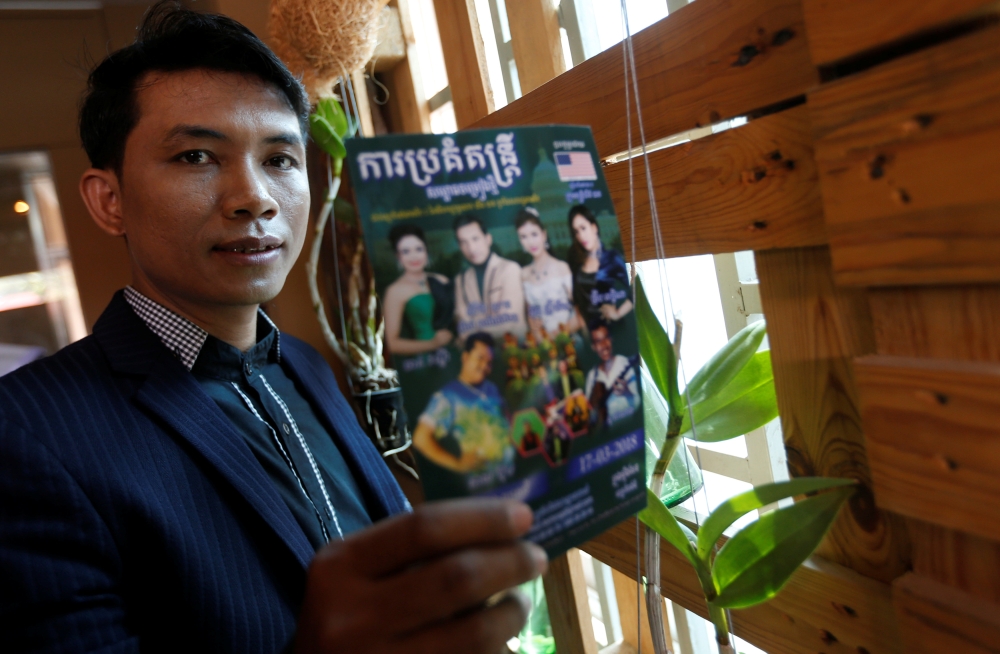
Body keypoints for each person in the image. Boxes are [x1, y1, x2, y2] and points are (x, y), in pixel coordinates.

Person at [0, 4, 545, 652]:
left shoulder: (308, 367)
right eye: (197, 155)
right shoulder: (26, 433)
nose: (253, 196)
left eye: (281, 158)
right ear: (108, 199)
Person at [412, 333, 516, 492]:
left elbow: (504, 419)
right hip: (482, 486)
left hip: (512, 478)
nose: (484, 367)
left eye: (489, 362)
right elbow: (420, 438)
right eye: (480, 358)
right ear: (465, 357)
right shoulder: (447, 396)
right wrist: (457, 464)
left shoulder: (491, 388)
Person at [382, 223, 454, 356]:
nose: (414, 256)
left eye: (419, 249)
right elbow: (391, 344)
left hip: (456, 351)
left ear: (426, 250)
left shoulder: (441, 279)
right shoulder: (395, 291)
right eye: (406, 251)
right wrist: (433, 343)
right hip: (425, 359)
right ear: (398, 256)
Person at [453, 213, 527, 341]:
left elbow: (509, 322)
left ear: (488, 239)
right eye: (464, 242)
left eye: (475, 239)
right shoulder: (461, 280)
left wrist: (474, 328)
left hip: (515, 350)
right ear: (460, 247)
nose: (471, 248)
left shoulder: (510, 269)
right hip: (479, 355)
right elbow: (463, 327)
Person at [515, 207, 577, 341]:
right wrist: (539, 336)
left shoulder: (562, 267)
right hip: (544, 346)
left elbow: (579, 312)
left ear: (543, 235)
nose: (530, 242)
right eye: (523, 237)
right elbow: (532, 317)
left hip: (570, 340)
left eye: (534, 234)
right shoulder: (523, 274)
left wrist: (560, 335)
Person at [567, 204, 633, 327]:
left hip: (613, 331)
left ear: (594, 227)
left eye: (583, 228)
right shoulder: (577, 260)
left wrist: (618, 313)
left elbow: (634, 293)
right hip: (590, 332)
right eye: (576, 231)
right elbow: (577, 300)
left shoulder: (612, 257)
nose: (581, 236)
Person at [585, 322, 640, 427]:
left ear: (611, 339)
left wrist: (627, 392)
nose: (604, 345)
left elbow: (638, 405)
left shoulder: (624, 363)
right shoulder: (592, 376)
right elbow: (590, 412)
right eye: (598, 341)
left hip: (629, 426)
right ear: (593, 347)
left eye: (606, 338)